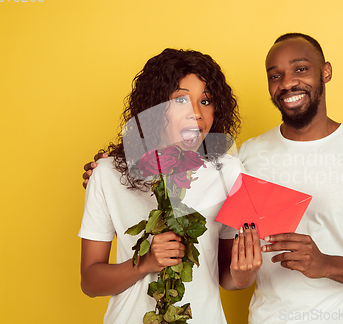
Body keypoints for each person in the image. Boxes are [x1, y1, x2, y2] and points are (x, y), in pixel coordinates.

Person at [83, 34, 343, 324]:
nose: (288, 82)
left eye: (300, 69)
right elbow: (225, 270)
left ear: (326, 72)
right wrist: (115, 168)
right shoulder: (244, 158)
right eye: (276, 75)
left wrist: (325, 264)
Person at [79, 48, 261, 324]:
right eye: (180, 101)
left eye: (206, 100)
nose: (197, 114)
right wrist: (146, 263)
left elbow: (226, 275)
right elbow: (91, 282)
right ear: (153, 107)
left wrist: (244, 274)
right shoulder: (107, 173)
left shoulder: (228, 171)